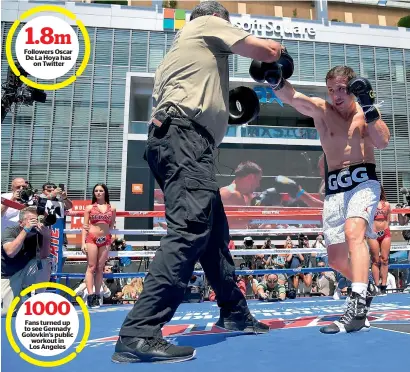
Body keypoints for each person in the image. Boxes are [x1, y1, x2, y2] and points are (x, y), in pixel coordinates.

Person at [113, 1, 283, 364]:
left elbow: (196, 105)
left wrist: (231, 114)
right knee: (190, 230)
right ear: (218, 20)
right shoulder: (208, 23)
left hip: (182, 141)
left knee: (213, 236)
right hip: (185, 142)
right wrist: (278, 54)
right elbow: (264, 51)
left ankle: (234, 312)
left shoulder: (187, 50)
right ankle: (139, 331)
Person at [259, 62, 390, 334]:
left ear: (353, 88)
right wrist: (275, 81)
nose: (337, 95)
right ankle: (363, 290)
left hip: (363, 182)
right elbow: (294, 98)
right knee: (335, 258)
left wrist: (368, 105)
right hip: (334, 188)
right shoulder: (322, 111)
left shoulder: (363, 114)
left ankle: (355, 307)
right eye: (332, 90)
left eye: (342, 89)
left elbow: (383, 142)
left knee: (354, 232)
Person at [82, 184, 116, 309]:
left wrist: (107, 235)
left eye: (101, 191)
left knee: (100, 268)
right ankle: (91, 296)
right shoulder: (89, 207)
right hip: (92, 239)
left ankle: (97, 294)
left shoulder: (112, 209)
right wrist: (83, 242)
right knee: (91, 267)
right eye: (96, 191)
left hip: (105, 240)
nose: (98, 193)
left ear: (105, 192)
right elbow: (85, 227)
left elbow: (111, 225)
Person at [367, 186, 391, 295]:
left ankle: (384, 286)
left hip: (385, 232)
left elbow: (388, 220)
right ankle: (376, 286)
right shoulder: (369, 204)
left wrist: (384, 229)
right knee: (375, 260)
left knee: (385, 259)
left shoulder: (387, 204)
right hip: (373, 233)